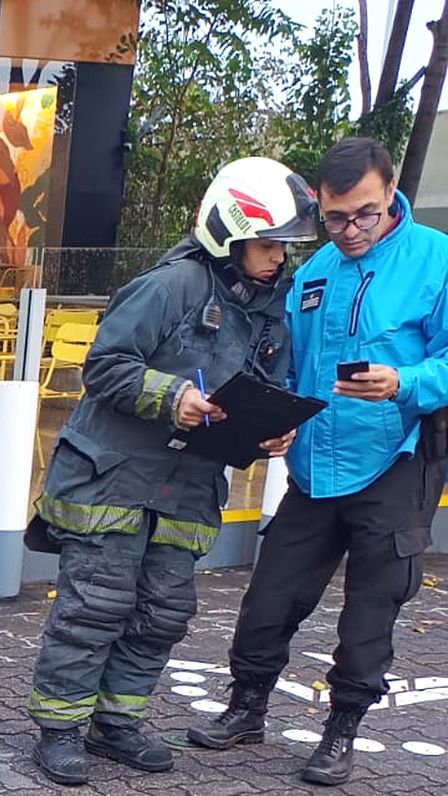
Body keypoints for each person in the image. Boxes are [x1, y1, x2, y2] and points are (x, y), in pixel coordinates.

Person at [26, 157, 319, 786]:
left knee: (161, 612)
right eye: (268, 245)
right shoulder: (171, 287)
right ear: (231, 232)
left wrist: (271, 427)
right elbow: (104, 365)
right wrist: (171, 395)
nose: (278, 260)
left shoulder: (272, 311)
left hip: (187, 490)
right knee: (94, 608)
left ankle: (117, 724)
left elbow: (261, 388)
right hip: (113, 482)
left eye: (283, 248)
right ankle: (59, 730)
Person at [187, 138, 448, 785]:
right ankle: (246, 707)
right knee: (269, 595)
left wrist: (404, 382)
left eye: (363, 213)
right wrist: (273, 425)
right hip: (314, 463)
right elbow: (289, 368)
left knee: (370, 610)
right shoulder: (313, 274)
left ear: (389, 193)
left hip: (397, 458)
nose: (350, 230)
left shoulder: (436, 261)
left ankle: (341, 731)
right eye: (334, 218)